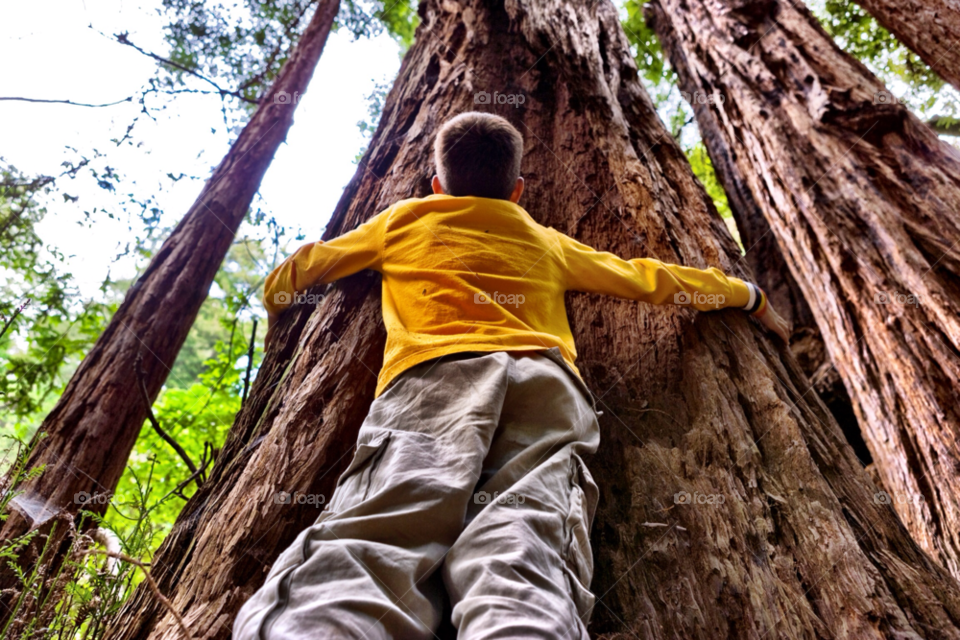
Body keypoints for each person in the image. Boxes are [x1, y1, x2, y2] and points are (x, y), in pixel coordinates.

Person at [234, 111, 790, 640]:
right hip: (543, 387)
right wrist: (748, 295)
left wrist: (277, 298)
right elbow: (649, 278)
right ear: (518, 189)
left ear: (436, 185)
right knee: (523, 548)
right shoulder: (545, 240)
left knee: (381, 533)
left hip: (434, 385)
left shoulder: (403, 221)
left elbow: (304, 268)